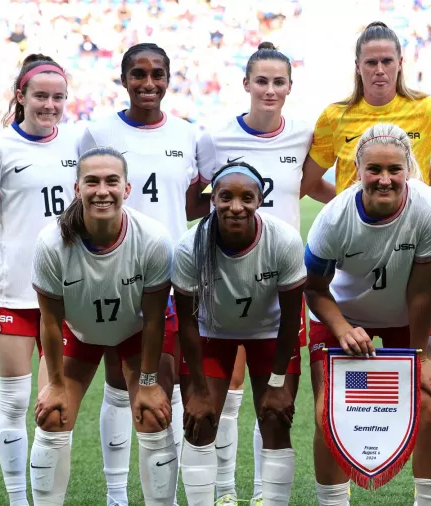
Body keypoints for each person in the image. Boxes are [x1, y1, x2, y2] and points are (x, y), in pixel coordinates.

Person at [78, 42, 203, 506]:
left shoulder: (189, 134)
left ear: (169, 79)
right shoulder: (98, 132)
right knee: (115, 383)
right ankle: (115, 494)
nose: (148, 83)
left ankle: (160, 497)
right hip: (113, 274)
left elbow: (193, 200)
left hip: (171, 276)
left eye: (157, 74)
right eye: (138, 73)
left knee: (158, 385)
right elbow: (85, 195)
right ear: (124, 78)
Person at [195, 41, 319, 506]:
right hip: (225, 276)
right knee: (223, 393)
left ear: (290, 86)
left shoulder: (302, 135)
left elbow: (315, 187)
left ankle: (265, 496)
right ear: (245, 84)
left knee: (273, 401)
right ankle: (224, 490)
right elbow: (198, 197)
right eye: (261, 81)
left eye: (278, 81)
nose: (270, 89)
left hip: (281, 280)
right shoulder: (217, 138)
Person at [304, 123, 431, 506]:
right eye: (374, 170)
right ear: (358, 171)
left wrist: (419, 359)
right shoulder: (334, 219)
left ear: (408, 169)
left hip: (410, 317)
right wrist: (342, 328)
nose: (384, 180)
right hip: (345, 314)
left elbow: (422, 290)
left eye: (394, 170)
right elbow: (315, 289)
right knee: (327, 416)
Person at [30, 147, 177, 506]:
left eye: (112, 181)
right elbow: (49, 321)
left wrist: (147, 383)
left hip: (137, 332)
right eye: (91, 181)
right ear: (76, 189)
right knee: (52, 416)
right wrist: (57, 384)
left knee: (153, 415)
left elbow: (156, 316)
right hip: (78, 333)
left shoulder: (153, 238)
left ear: (127, 189)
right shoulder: (52, 243)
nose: (102, 190)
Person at [0, 53, 76, 506]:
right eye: (41, 96)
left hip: (66, 297)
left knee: (54, 408)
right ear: (21, 96)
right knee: (13, 403)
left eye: (58, 97)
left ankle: (48, 498)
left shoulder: (75, 142)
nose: (50, 105)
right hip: (13, 294)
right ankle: (18, 500)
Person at [173, 162, 306, 506]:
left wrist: (276, 385)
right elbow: (186, 321)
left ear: (260, 200)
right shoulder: (190, 246)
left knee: (276, 418)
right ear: (212, 199)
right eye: (225, 197)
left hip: (271, 333)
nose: (236, 206)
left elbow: (292, 318)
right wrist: (200, 391)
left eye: (247, 197)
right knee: (199, 421)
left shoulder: (284, 240)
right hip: (211, 333)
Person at [305, 20, 431, 202]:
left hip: (413, 228)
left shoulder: (427, 111)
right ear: (358, 66)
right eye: (371, 63)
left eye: (387, 61)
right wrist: (344, 203)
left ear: (399, 63)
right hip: (355, 230)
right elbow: (304, 183)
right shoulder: (334, 116)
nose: (380, 70)